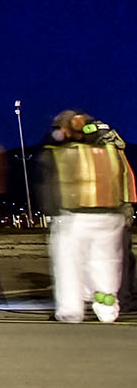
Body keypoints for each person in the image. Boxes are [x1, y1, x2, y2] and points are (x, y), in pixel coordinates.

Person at [38, 110, 133, 324]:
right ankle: (107, 311)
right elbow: (123, 176)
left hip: (74, 217)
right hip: (110, 216)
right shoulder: (110, 148)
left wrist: (50, 212)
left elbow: (49, 183)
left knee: (69, 265)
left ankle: (71, 312)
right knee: (105, 265)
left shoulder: (59, 151)